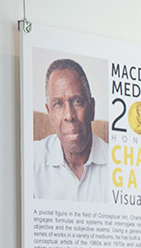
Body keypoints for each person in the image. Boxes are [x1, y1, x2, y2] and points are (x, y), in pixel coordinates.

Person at [32, 58, 110, 202]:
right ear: (49, 113)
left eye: (77, 101)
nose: (69, 115)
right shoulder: (32, 161)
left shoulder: (117, 166)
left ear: (92, 108)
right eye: (58, 104)